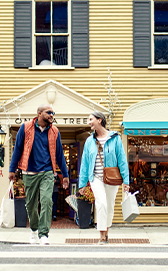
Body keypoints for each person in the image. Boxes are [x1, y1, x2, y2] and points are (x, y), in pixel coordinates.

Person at [8, 104, 69, 245]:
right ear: (39, 113)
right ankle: (34, 230)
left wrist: (65, 175)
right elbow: (17, 149)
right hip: (29, 172)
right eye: (49, 112)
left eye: (53, 113)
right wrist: (12, 170)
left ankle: (43, 234)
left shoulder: (54, 131)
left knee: (47, 201)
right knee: (30, 205)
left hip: (47, 172)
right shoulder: (25, 127)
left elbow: (59, 155)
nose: (52, 115)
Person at [78, 112, 130, 244]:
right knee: (101, 203)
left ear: (99, 120)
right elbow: (85, 163)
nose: (89, 122)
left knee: (110, 205)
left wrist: (126, 181)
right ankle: (101, 235)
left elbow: (122, 160)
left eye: (91, 119)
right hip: (96, 177)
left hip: (112, 178)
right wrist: (82, 184)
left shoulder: (115, 138)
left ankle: (106, 231)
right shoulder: (89, 141)